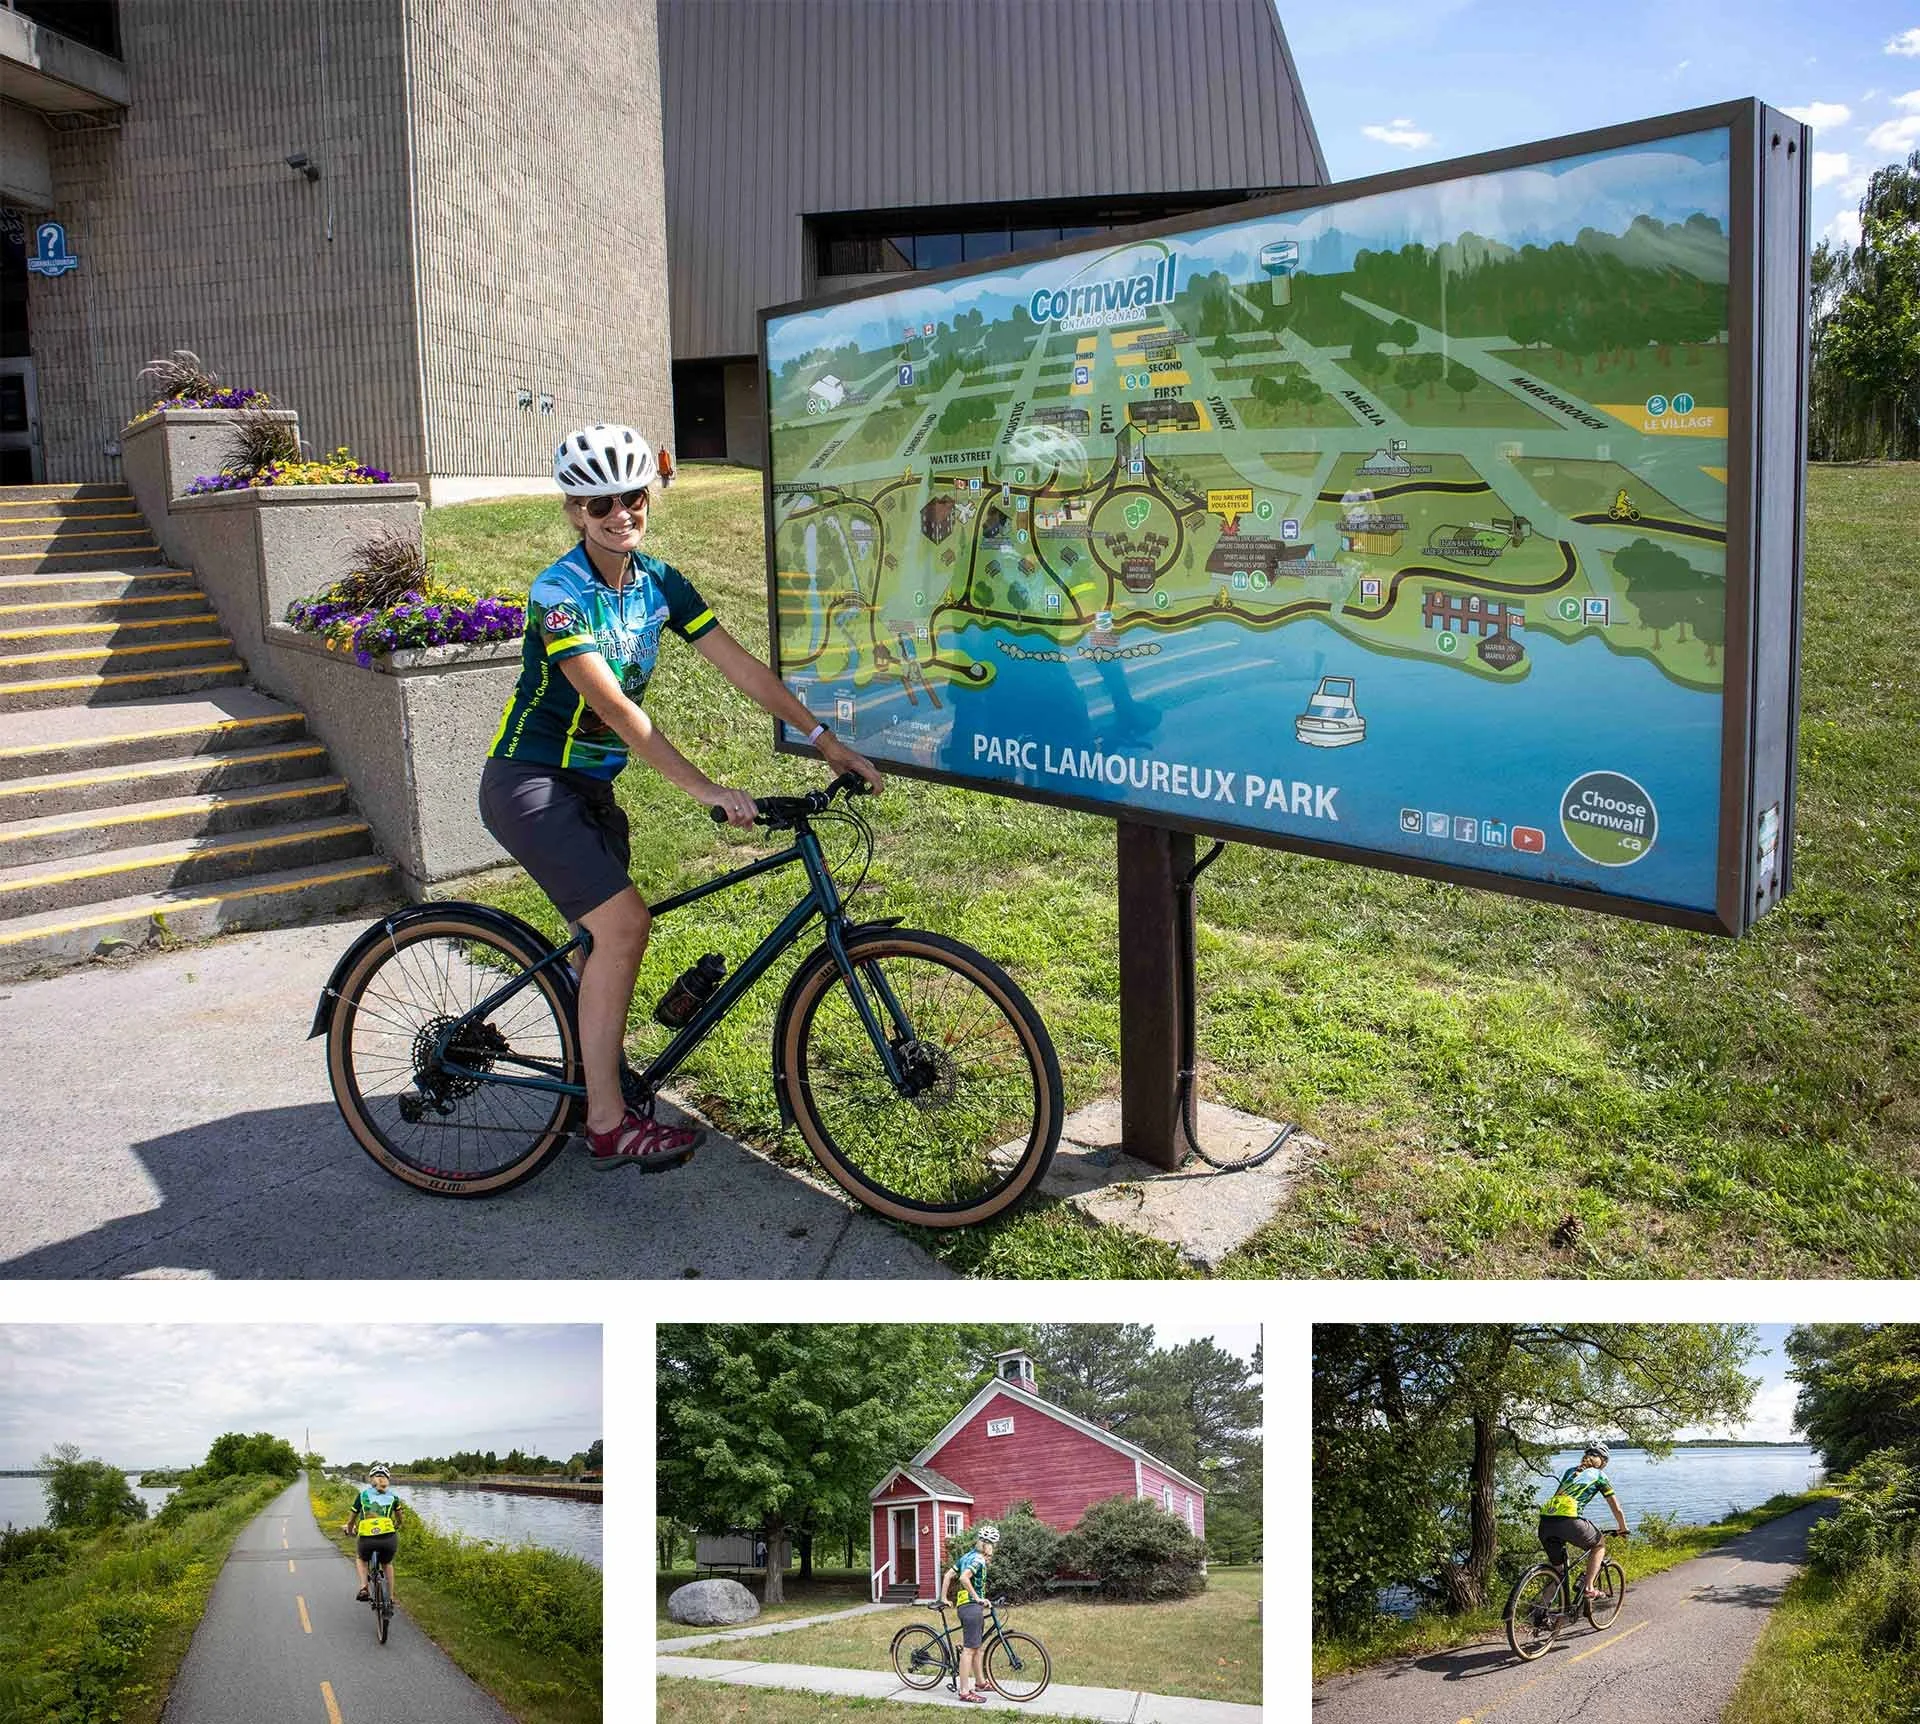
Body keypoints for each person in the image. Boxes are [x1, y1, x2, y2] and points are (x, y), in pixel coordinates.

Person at [479, 423, 884, 1168]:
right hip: (530, 783)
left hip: (594, 790)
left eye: (632, 496)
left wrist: (825, 739)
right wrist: (701, 785)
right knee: (626, 928)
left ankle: (582, 1074)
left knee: (603, 945)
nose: (620, 513)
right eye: (600, 502)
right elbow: (614, 710)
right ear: (574, 509)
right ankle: (607, 1122)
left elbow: (742, 668)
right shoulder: (557, 594)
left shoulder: (660, 583)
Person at [1538, 1442, 1627, 1608]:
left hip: (1545, 1522)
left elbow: (1560, 1497)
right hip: (1569, 1521)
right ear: (1603, 1461)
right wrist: (1623, 1528)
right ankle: (1589, 1588)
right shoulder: (1599, 1476)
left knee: (1558, 1570)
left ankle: (1540, 1610)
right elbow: (1617, 1508)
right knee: (1599, 1544)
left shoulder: (1570, 1472)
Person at [940, 1522, 1001, 1704]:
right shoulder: (978, 1559)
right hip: (971, 1607)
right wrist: (978, 1599)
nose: (994, 1548)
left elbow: (947, 1575)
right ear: (988, 1545)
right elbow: (964, 1578)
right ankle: (965, 1691)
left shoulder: (968, 1556)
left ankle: (981, 1682)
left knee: (977, 1646)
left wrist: (944, 1597)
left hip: (966, 1606)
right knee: (969, 1649)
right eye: (993, 1545)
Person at [343, 1463, 403, 1603]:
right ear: (388, 1479)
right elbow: (400, 1518)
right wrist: (397, 1525)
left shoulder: (362, 1495)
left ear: (371, 1479)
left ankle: (364, 1588)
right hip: (388, 1538)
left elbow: (351, 1520)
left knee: (361, 1559)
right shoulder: (394, 1497)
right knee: (387, 1564)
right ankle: (391, 1597)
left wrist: (350, 1530)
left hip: (367, 1539)